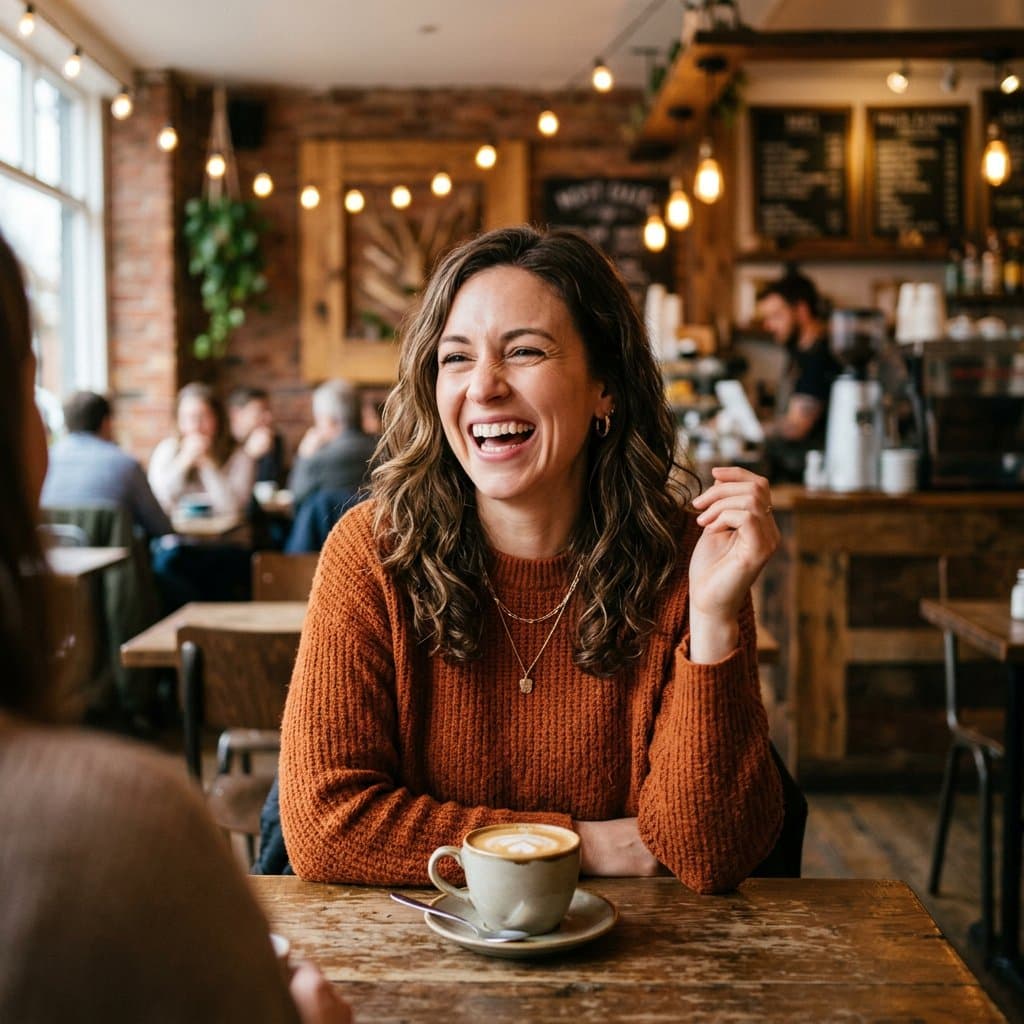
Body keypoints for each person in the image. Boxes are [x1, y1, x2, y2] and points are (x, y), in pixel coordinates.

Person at [279, 226, 783, 892]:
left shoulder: (691, 561)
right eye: (457, 358)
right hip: (418, 949)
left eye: (524, 351)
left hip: (639, 950)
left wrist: (714, 617)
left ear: (605, 387)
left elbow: (706, 854)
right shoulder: (373, 552)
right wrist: (581, 843)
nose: (484, 387)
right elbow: (325, 827)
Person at [0, 230, 349, 1022]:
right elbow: (165, 511)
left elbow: (225, 512)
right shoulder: (126, 827)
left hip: (220, 563)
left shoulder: (236, 458)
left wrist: (214, 461)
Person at [41, 390, 172, 538]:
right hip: (116, 553)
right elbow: (160, 527)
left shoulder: (44, 461)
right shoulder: (126, 465)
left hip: (53, 551)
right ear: (106, 423)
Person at [756, 271, 842, 482]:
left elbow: (797, 427)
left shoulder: (820, 356)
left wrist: (749, 428)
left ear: (801, 311)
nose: (768, 325)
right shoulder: (799, 354)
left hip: (812, 478)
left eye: (776, 316)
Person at [148, 382, 256, 517]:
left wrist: (207, 465)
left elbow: (232, 509)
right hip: (177, 529)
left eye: (203, 416)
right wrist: (184, 461)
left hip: (225, 530)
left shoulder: (239, 454)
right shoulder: (166, 449)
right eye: (187, 417)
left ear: (218, 419)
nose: (195, 426)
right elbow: (158, 502)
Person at [287, 379, 377, 508]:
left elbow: (297, 495)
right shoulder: (381, 450)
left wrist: (304, 457)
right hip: (371, 520)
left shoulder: (319, 459)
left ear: (329, 420)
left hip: (328, 521)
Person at [228, 385, 287, 486]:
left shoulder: (274, 440)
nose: (269, 417)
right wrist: (250, 456)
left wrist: (268, 454)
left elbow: (269, 484)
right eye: (261, 411)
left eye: (269, 410)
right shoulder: (221, 443)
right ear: (236, 414)